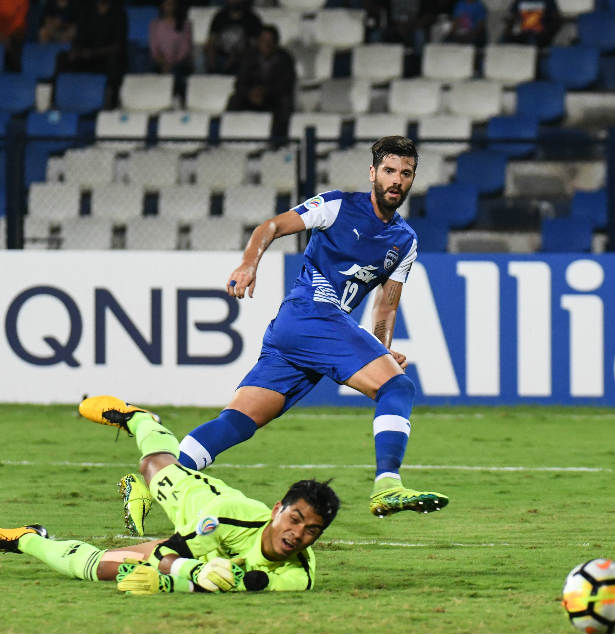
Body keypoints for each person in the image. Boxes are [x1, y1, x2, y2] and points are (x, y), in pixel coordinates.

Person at [113, 136, 448, 539]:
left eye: (406, 173)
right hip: (311, 316)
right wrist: (248, 263)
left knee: (238, 421)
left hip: (298, 333)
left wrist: (383, 348)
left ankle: (148, 487)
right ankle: (387, 485)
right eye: (389, 171)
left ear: (413, 179)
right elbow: (270, 226)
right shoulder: (338, 205)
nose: (396, 180)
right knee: (398, 388)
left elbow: (386, 307)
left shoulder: (405, 240)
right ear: (373, 173)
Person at [0, 396, 340, 594]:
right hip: (198, 506)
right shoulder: (228, 514)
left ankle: (26, 539)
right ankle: (141, 419)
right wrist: (189, 574)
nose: (297, 534)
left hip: (202, 555)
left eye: (312, 530)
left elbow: (246, 586)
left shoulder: (301, 576)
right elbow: (168, 554)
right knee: (153, 463)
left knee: (100, 567)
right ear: (277, 509)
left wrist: (170, 585)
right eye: (295, 519)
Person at [226, 24, 296, 140]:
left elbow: (286, 85)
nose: (267, 45)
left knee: (285, 103)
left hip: (272, 98)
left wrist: (265, 92)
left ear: (276, 43)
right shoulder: (249, 56)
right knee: (234, 100)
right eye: (264, 41)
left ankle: (278, 141)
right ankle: (230, 137)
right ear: (258, 42)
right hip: (251, 97)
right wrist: (250, 93)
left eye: (270, 41)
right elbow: (240, 83)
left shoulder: (285, 59)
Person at [55, 0, 128, 109]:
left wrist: (94, 53)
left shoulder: (119, 13)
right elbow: (79, 37)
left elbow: (119, 45)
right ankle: (57, 100)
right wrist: (76, 51)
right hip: (85, 55)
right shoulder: (87, 11)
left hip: (105, 55)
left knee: (115, 61)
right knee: (62, 57)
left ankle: (110, 103)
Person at [149, 0, 194, 101]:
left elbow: (185, 49)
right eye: (166, 4)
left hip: (179, 62)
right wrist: (163, 63)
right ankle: (155, 100)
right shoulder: (155, 25)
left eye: (171, 4)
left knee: (176, 72)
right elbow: (154, 48)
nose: (169, 7)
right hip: (160, 62)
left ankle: (176, 99)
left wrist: (171, 64)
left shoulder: (185, 24)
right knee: (151, 69)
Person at [204, 0, 263, 75]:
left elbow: (255, 46)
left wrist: (236, 56)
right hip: (221, 58)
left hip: (243, 59)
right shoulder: (219, 17)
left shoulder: (252, 19)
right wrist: (212, 63)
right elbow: (211, 41)